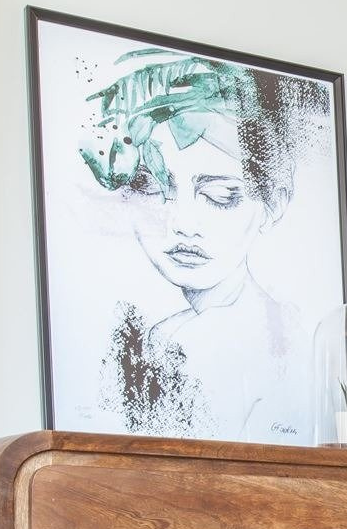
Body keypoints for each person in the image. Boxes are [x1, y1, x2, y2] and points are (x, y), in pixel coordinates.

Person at [82, 51, 326, 441]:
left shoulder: (234, 345)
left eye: (219, 195)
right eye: (152, 188)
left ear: (274, 203)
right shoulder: (166, 335)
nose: (183, 224)